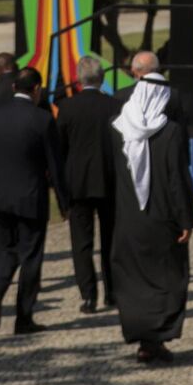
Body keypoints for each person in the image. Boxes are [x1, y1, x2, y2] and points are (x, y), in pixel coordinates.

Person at [109, 61, 193, 366]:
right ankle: (157, 337)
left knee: (133, 277)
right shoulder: (171, 132)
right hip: (162, 217)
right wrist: (187, 219)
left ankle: (143, 338)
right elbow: (178, 179)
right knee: (167, 276)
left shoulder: (117, 131)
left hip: (129, 216)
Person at [0, 68, 71, 335]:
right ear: (37, 90)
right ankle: (24, 317)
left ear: (13, 86)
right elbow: (56, 164)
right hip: (31, 198)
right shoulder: (42, 119)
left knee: (5, 251)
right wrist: (64, 203)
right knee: (30, 258)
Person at [55, 57, 121, 314]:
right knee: (110, 239)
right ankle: (112, 292)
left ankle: (88, 295)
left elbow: (60, 148)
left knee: (81, 242)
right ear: (102, 77)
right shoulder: (115, 106)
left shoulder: (68, 108)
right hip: (109, 181)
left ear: (79, 79)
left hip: (78, 183)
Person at [114, 49, 187, 124]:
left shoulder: (120, 95)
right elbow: (181, 128)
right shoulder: (172, 94)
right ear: (158, 69)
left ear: (133, 70)